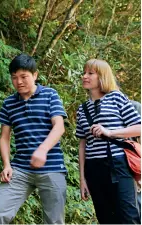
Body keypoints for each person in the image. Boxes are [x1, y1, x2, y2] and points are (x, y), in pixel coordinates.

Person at [0, 53, 67, 224]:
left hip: (52, 167)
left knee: (54, 221)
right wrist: (7, 165)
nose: (19, 82)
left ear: (35, 75)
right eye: (14, 78)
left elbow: (59, 126)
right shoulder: (9, 103)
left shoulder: (50, 95)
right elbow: (4, 138)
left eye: (24, 76)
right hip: (20, 169)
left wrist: (42, 150)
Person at [76, 59, 141, 224]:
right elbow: (83, 144)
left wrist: (110, 132)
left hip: (118, 164)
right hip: (93, 168)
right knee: (105, 218)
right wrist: (82, 179)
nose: (85, 76)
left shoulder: (116, 98)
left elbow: (139, 127)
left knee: (128, 216)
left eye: (90, 73)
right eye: (84, 72)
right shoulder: (82, 109)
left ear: (102, 77)